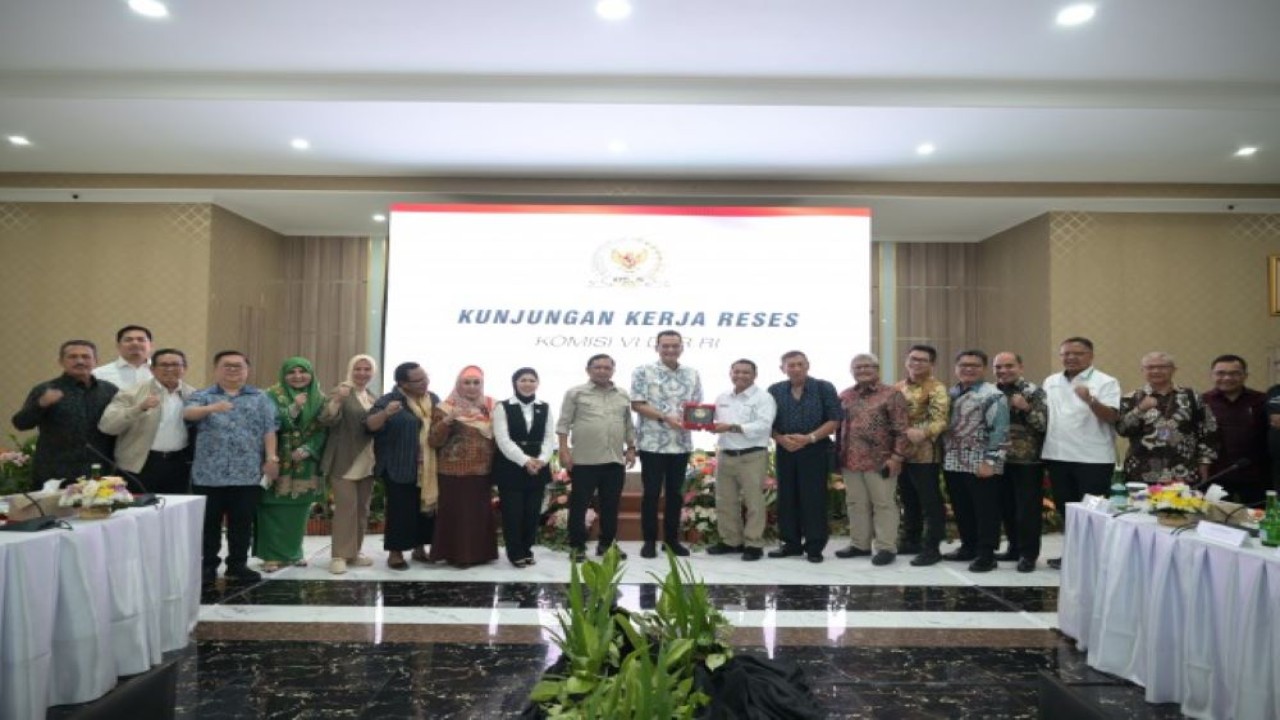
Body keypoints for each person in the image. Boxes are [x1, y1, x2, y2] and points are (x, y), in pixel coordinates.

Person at [184, 351, 279, 584]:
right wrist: (211, 409)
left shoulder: (261, 397)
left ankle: (237, 565)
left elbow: (269, 430)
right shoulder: (203, 395)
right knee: (209, 524)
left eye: (238, 366)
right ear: (216, 369)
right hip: (208, 474)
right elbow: (187, 413)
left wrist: (272, 458)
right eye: (227, 366)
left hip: (246, 473)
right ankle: (208, 565)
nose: (233, 370)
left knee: (242, 523)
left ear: (247, 370)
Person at [1041, 336, 1120, 570]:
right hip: (1057, 455)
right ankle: (1073, 556)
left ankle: (1096, 559)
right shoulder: (1051, 380)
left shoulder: (1106, 381)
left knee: (1093, 513)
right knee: (1068, 511)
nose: (1071, 358)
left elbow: (1112, 417)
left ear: (1091, 356)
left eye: (1078, 353)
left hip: (1093, 459)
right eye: (1066, 353)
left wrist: (1090, 400)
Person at [557, 353, 637, 561]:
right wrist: (564, 450)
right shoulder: (575, 393)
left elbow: (628, 424)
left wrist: (631, 448)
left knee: (610, 506)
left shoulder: (622, 394)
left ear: (613, 370)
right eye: (597, 367)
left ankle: (607, 544)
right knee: (579, 505)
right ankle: (577, 546)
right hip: (584, 460)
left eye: (607, 367)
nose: (602, 371)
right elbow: (563, 424)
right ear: (588, 370)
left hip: (614, 461)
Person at [631, 330, 703, 558]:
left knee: (675, 495)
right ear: (657, 347)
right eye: (665, 346)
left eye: (675, 346)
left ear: (682, 347)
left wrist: (698, 420)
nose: (670, 350)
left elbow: (697, 406)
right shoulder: (643, 371)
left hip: (681, 444)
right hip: (652, 444)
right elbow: (637, 404)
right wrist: (665, 417)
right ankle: (649, 541)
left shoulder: (692, 373)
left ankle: (671, 541)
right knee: (651, 494)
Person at [834, 353, 909, 566]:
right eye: (858, 367)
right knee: (856, 503)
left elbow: (902, 430)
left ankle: (886, 547)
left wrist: (896, 458)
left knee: (883, 504)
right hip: (850, 460)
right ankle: (860, 545)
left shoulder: (892, 394)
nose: (863, 370)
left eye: (868, 367)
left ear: (877, 369)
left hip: (881, 461)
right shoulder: (845, 395)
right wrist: (837, 457)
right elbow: (840, 429)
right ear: (852, 371)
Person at [768, 350, 841, 563]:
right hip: (785, 449)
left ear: (808, 365)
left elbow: (835, 419)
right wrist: (780, 439)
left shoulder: (823, 387)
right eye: (790, 365)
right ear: (783, 369)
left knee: (814, 498)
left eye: (800, 364)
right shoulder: (774, 390)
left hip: (815, 449)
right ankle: (791, 545)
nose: (796, 368)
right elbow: (767, 422)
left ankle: (814, 546)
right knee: (787, 497)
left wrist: (809, 438)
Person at [256, 357, 329, 573]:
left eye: (302, 371)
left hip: (305, 461)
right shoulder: (270, 395)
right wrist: (294, 408)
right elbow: (269, 424)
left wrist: (308, 449)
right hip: (276, 457)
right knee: (272, 507)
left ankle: (293, 553)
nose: (297, 376)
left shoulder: (320, 397)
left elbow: (323, 429)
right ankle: (271, 555)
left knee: (299, 509)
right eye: (292, 372)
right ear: (283, 375)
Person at [12, 340, 118, 487]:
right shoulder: (45, 389)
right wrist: (41, 404)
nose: (80, 361)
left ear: (96, 361)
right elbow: (20, 423)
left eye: (86, 357)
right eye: (72, 357)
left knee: (97, 511)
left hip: (98, 471)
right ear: (61, 361)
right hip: (55, 472)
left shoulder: (109, 390)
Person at [366, 362, 438, 571]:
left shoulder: (432, 399)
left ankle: (419, 548)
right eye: (418, 380)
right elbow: (369, 425)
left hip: (427, 467)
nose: (424, 383)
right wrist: (386, 414)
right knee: (401, 511)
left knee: (425, 509)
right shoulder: (389, 401)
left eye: (425, 378)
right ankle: (395, 553)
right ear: (402, 384)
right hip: (398, 465)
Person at [942, 350, 1009, 573]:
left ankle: (987, 554)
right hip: (953, 461)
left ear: (984, 369)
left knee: (985, 510)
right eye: (963, 365)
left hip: (981, 462)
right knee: (962, 508)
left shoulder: (992, 395)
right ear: (956, 367)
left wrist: (990, 462)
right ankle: (968, 547)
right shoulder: (952, 392)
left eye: (975, 365)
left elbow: (1000, 431)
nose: (968, 369)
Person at [705, 359, 777, 561]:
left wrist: (730, 427)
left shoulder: (764, 398)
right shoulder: (722, 397)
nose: (741, 375)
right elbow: (713, 421)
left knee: (754, 501)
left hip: (752, 455)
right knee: (725, 501)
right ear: (730, 373)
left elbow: (764, 425)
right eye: (736, 371)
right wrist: (706, 425)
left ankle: (754, 543)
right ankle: (731, 541)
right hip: (726, 455)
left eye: (746, 372)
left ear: (755, 375)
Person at [98, 347, 196, 494]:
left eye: (175, 364)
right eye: (164, 365)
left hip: (179, 464)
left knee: (174, 513)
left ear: (185, 368)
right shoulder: (131, 392)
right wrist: (139, 408)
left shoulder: (193, 395)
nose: (170, 369)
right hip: (141, 464)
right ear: (152, 369)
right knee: (139, 512)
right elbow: (107, 426)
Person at [428, 365, 499, 567]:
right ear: (458, 384)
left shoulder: (492, 406)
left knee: (478, 514)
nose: (472, 387)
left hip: (483, 471)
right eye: (466, 382)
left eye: (476, 382)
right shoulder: (445, 407)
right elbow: (433, 440)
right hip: (453, 472)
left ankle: (480, 554)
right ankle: (456, 555)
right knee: (456, 513)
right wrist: (448, 421)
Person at [319, 354, 380, 575]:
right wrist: (337, 401)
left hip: (368, 460)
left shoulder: (372, 396)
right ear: (350, 370)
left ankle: (354, 552)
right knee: (346, 508)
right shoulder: (342, 390)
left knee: (362, 509)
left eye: (367, 369)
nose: (362, 373)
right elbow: (326, 419)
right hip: (344, 458)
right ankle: (339, 555)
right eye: (358, 369)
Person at [1116, 352, 1217, 485]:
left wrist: (1204, 465)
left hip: (1184, 472)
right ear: (1143, 370)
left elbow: (1209, 431)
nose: (1156, 371)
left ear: (1174, 370)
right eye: (1150, 367)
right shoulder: (1131, 398)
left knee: (1183, 506)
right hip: (1141, 472)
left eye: (1163, 367)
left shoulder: (1192, 396)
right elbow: (1122, 430)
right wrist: (1139, 410)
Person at [492, 367, 555, 567]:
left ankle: (527, 549)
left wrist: (542, 460)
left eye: (531, 380)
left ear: (537, 383)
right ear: (515, 383)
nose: (527, 383)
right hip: (511, 467)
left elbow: (548, 437)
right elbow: (503, 440)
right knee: (513, 513)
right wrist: (526, 461)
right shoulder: (503, 407)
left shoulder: (544, 407)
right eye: (523, 380)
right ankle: (514, 552)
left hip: (538, 467)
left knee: (532, 513)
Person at [992, 352, 1048, 573]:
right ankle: (1014, 548)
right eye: (998, 367)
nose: (1003, 371)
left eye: (1009, 366)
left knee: (1027, 511)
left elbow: (1044, 425)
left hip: (1027, 461)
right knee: (1006, 507)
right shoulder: (991, 391)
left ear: (1020, 367)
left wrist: (1026, 408)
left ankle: (1028, 554)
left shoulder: (1033, 391)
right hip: (998, 458)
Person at [894, 344, 950, 567]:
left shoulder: (937, 388)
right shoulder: (897, 387)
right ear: (906, 361)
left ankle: (932, 548)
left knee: (930, 502)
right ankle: (911, 540)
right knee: (908, 499)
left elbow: (941, 419)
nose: (916, 363)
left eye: (922, 360)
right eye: (913, 359)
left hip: (925, 454)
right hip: (901, 453)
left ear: (932, 364)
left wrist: (923, 432)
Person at [1201, 354, 1270, 504]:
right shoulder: (1202, 401)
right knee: (1214, 521)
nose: (1227, 378)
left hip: (1256, 475)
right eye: (1221, 373)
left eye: (1234, 373)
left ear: (1245, 375)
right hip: (1216, 474)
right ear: (1212, 375)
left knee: (1257, 521)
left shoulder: (1262, 400)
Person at [92, 324, 154, 390]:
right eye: (128, 340)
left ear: (151, 345)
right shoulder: (99, 374)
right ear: (118, 345)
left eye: (141, 340)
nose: (135, 343)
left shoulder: (163, 372)